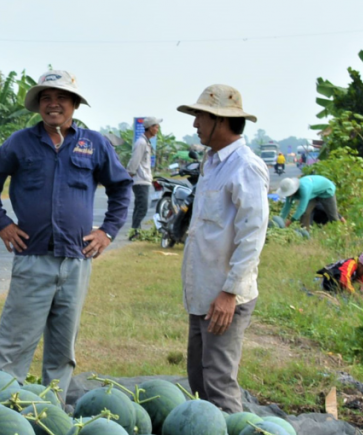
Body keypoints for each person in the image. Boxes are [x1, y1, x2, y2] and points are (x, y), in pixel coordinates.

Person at [0, 70, 132, 392]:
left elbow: (121, 187)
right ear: (38, 106)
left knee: (63, 350)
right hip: (33, 259)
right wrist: (1, 223)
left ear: (74, 104)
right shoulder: (20, 143)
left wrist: (108, 231)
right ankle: (4, 409)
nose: (53, 104)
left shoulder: (94, 144)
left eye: (61, 97)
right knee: (14, 345)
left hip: (76, 261)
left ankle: (52, 412)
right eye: (46, 98)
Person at [176, 84, 268, 413]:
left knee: (218, 381)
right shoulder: (212, 162)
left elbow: (253, 235)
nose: (195, 123)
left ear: (220, 120)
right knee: (198, 377)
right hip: (203, 293)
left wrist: (230, 292)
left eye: (200, 116)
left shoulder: (246, 166)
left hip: (224, 297)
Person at [127, 116, 161, 239]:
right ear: (150, 128)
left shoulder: (146, 142)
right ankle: (134, 232)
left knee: (139, 207)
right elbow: (134, 161)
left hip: (144, 179)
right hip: (140, 180)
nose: (157, 129)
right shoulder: (141, 143)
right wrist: (129, 175)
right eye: (156, 127)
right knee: (143, 207)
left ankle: (136, 231)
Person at [277, 175, 344, 228]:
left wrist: (289, 222)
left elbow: (301, 209)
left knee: (333, 217)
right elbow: (286, 207)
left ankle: (339, 232)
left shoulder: (304, 189)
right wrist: (280, 220)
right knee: (305, 213)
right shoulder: (290, 194)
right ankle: (304, 233)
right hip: (313, 193)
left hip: (326, 191)